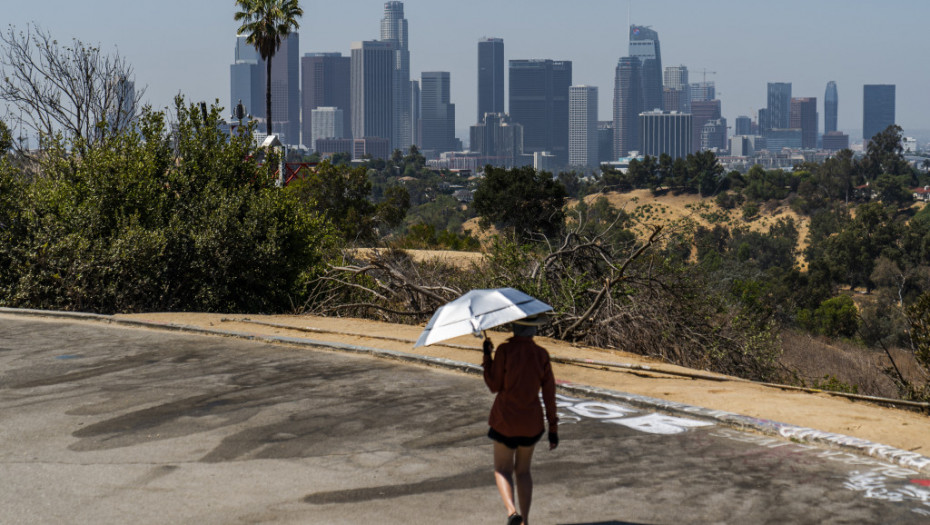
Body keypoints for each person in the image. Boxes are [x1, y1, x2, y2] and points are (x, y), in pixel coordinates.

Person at [482, 314, 559, 525]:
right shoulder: (541, 354)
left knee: (502, 469)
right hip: (531, 423)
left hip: (504, 420)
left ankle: (511, 512)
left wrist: (487, 357)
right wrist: (553, 428)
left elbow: (494, 385)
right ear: (533, 330)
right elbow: (549, 395)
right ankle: (525, 521)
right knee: (523, 472)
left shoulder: (505, 351)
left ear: (514, 327)